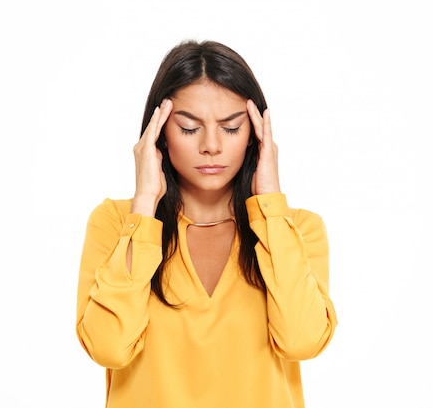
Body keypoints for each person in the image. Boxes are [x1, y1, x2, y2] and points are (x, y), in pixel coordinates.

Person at [75, 40, 337, 408]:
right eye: (188, 128)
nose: (211, 145)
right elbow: (108, 348)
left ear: (255, 136)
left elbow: (302, 341)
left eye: (231, 128)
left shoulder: (296, 230)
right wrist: (144, 204)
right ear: (159, 131)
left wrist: (270, 203)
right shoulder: (116, 223)